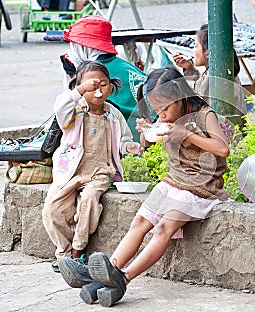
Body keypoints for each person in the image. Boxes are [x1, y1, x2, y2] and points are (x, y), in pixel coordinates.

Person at [58, 66, 230, 307]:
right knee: (139, 223)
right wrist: (146, 132)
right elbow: (146, 144)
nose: (162, 114)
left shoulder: (204, 114)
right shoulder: (164, 116)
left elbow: (223, 149)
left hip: (201, 186)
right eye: (156, 109)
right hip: (173, 181)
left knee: (162, 228)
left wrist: (185, 134)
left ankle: (123, 278)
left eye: (165, 108)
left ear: (180, 97)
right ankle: (107, 274)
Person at [42, 61, 143, 273]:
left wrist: (130, 146)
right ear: (79, 87)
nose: (97, 91)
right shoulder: (73, 111)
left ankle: (77, 252)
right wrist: (79, 91)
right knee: (52, 210)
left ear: (111, 86)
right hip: (70, 170)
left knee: (89, 203)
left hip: (100, 171)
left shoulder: (113, 114)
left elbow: (122, 141)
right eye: (90, 86)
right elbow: (60, 106)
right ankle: (64, 251)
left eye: (103, 85)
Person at [61, 15, 147, 142]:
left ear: (82, 47)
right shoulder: (124, 65)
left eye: (74, 45)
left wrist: (73, 76)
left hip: (130, 139)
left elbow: (69, 112)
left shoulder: (91, 75)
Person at [172, 24, 246, 116]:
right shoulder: (220, 70)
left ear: (207, 53)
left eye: (195, 46)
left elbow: (198, 99)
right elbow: (202, 86)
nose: (193, 51)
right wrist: (189, 68)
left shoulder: (214, 75)